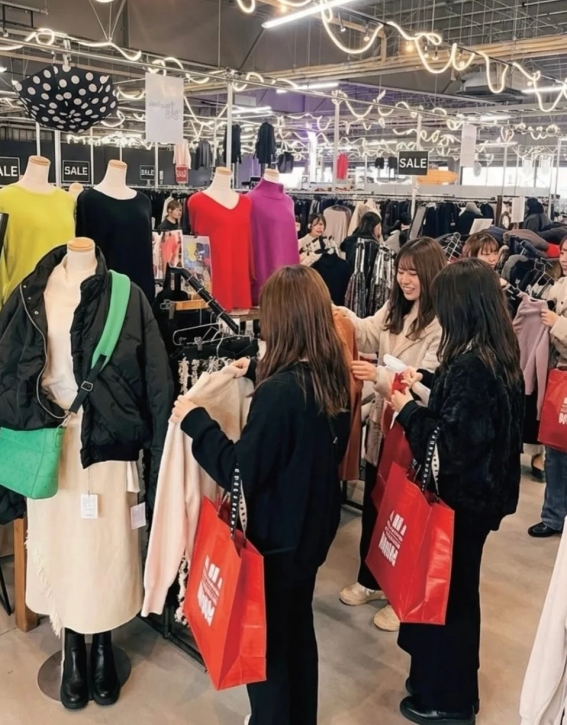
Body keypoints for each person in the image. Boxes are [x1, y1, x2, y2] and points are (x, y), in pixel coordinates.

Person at [171, 265, 351, 725]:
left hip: (276, 542)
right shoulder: (331, 375)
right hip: (312, 532)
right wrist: (255, 368)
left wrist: (196, 422)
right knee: (297, 631)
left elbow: (239, 471)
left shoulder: (280, 394)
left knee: (266, 648)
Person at [391, 258, 523, 725]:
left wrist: (407, 410)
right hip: (481, 499)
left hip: (462, 501)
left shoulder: (472, 365)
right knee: (458, 593)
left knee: (448, 599)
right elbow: (472, 422)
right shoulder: (494, 354)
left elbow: (448, 447)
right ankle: (448, 687)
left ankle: (449, 699)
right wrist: (427, 386)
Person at [339, 237, 446, 632]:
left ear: (430, 275)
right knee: (375, 502)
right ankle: (371, 579)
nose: (405, 280)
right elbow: (367, 331)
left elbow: (428, 384)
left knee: (406, 511)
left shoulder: (440, 323)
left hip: (411, 428)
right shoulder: (394, 309)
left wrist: (381, 377)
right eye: (401, 271)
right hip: (381, 427)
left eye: (413, 273)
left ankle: (400, 593)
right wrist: (339, 313)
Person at [528, 235, 567, 538]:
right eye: (564, 252)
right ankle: (553, 516)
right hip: (558, 377)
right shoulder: (557, 286)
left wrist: (557, 323)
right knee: (555, 451)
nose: (565, 258)